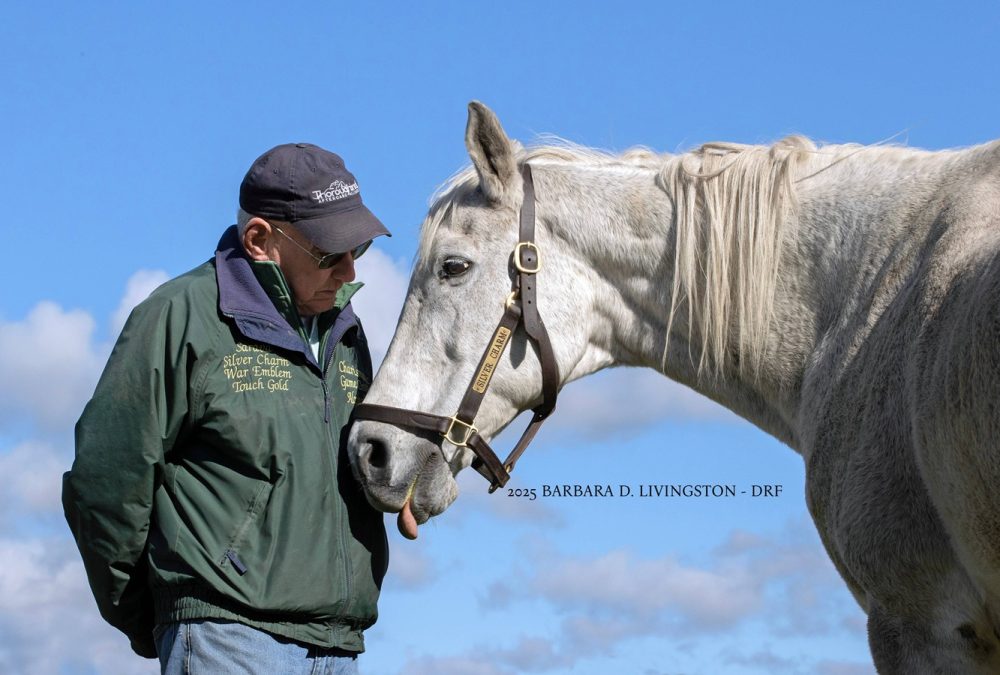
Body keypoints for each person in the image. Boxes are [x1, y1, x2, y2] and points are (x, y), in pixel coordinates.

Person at [63, 143, 391, 673]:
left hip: (338, 646)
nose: (350, 270)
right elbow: (105, 480)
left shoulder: (345, 331)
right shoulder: (179, 316)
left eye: (360, 249)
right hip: (227, 638)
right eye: (330, 254)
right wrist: (157, 613)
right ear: (260, 240)